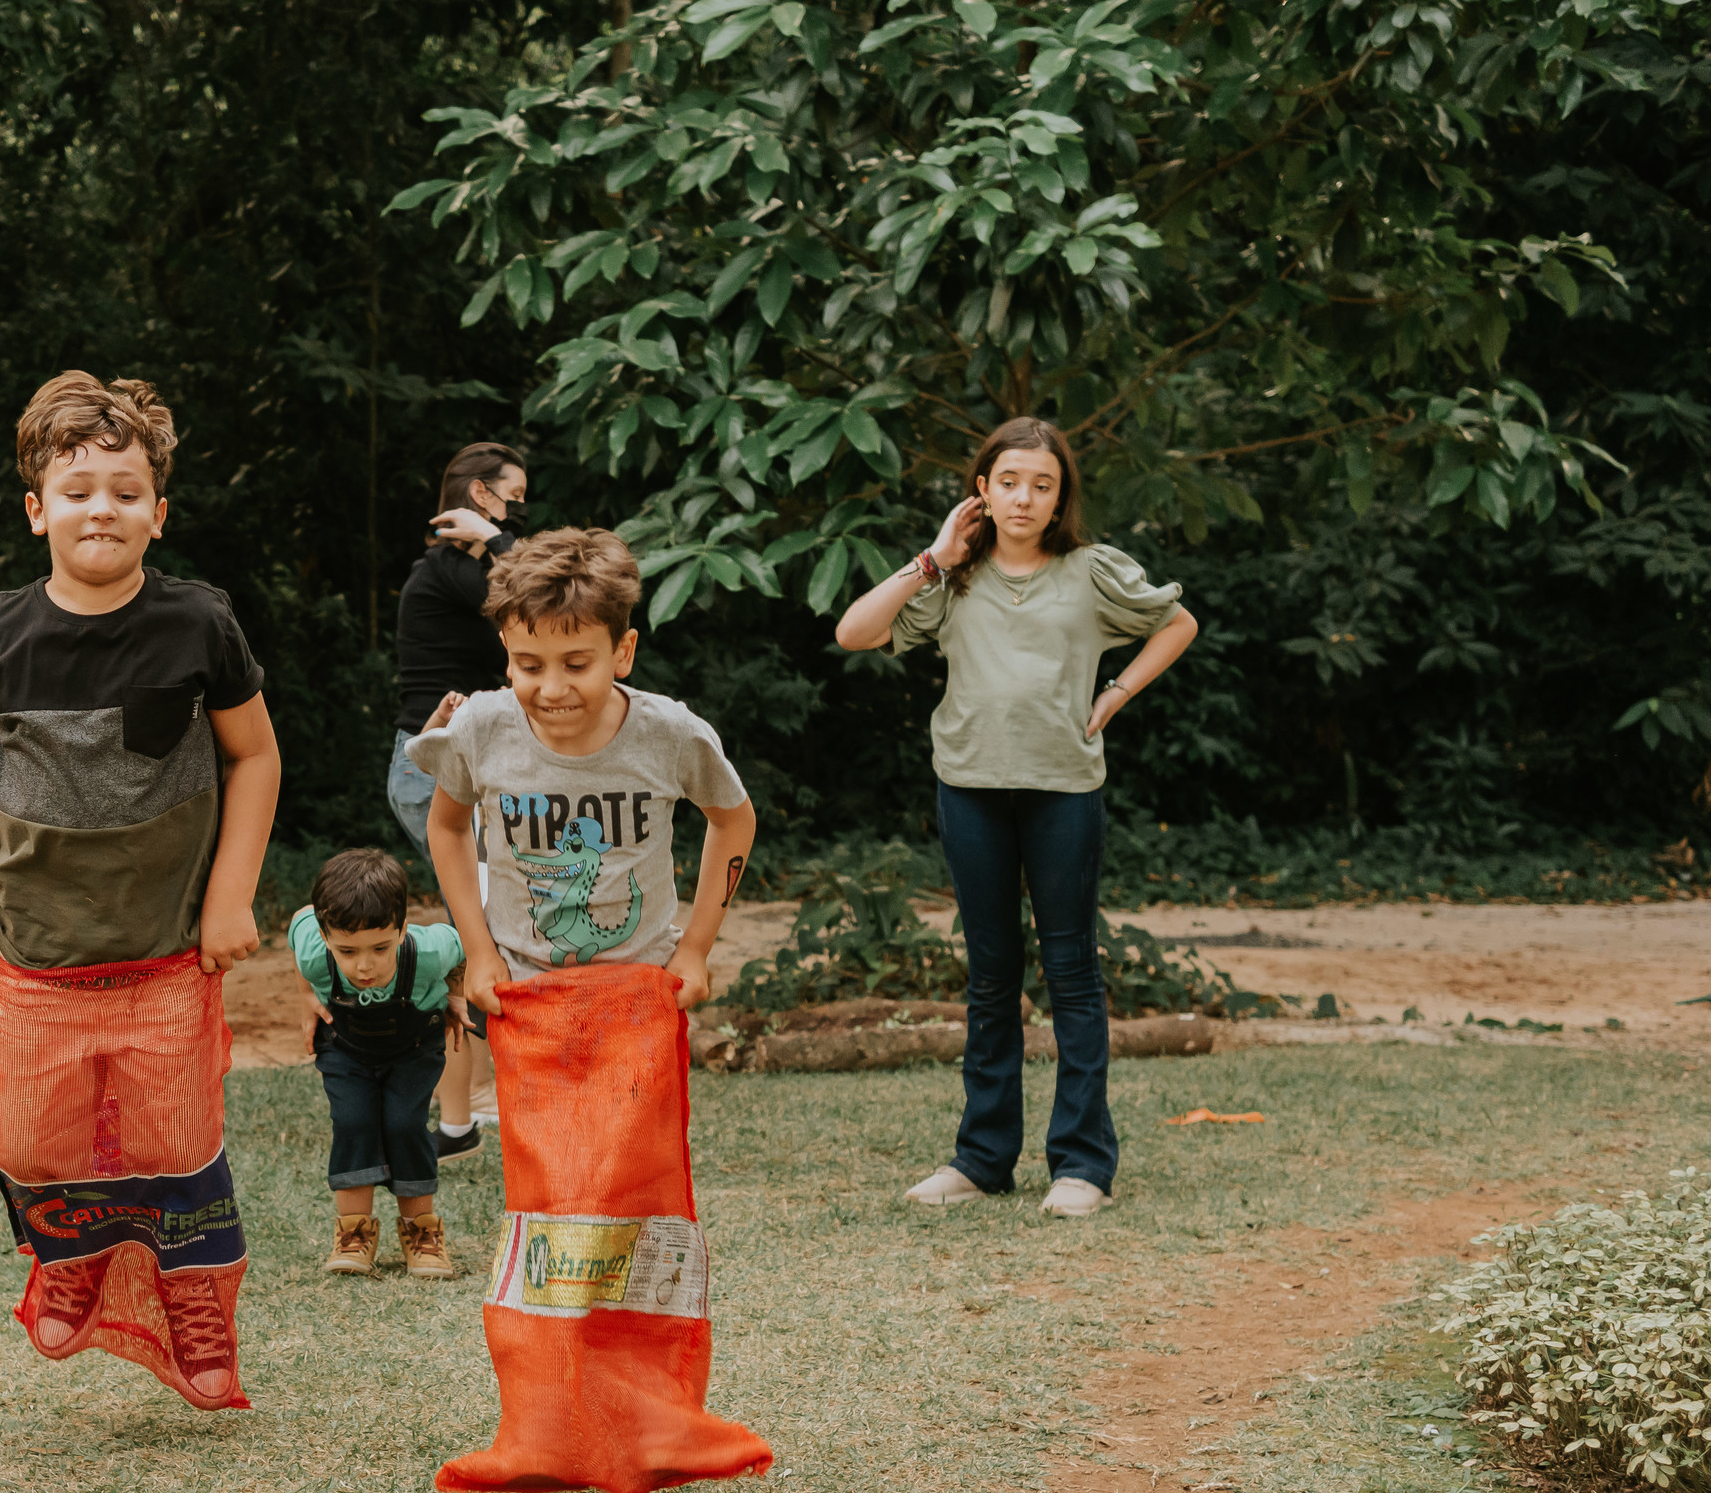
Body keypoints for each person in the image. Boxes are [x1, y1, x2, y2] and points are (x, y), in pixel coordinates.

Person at [0, 371, 281, 1410]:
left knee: (175, 1141)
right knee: (36, 1138)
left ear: (157, 515)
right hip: (37, 949)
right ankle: (70, 1257)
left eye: (126, 492)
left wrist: (232, 894)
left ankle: (195, 1303)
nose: (102, 510)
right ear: (37, 508)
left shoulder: (198, 625)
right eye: (78, 489)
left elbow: (254, 758)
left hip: (167, 945)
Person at [834, 416, 1198, 1218]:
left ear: (1060, 493)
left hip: (1064, 790)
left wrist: (1116, 692)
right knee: (991, 979)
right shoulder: (953, 578)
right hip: (969, 789)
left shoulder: (1093, 571)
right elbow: (854, 632)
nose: (1025, 497)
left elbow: (1178, 623)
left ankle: (1081, 1165)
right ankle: (983, 1158)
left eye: (1042, 483)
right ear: (982, 492)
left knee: (1071, 972)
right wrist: (934, 555)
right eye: (1009, 482)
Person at [409, 526, 758, 1020]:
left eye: (575, 664)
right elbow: (446, 826)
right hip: (522, 990)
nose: (552, 689)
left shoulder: (670, 734)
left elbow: (734, 821)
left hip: (643, 988)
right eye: (529, 665)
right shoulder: (480, 728)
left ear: (623, 651)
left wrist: (696, 950)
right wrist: (480, 950)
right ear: (506, 651)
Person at [390, 442, 525, 1158]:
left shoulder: (458, 572)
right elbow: (548, 599)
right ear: (482, 495)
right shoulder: (451, 572)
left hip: (448, 765)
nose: (522, 517)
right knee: (486, 940)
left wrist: (495, 540)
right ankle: (466, 1116)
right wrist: (497, 541)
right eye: (514, 501)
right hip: (436, 769)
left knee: (484, 936)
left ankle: (462, 1119)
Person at [290, 848, 467, 1279]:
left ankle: (422, 1234)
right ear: (326, 935)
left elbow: (461, 946)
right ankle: (354, 1236)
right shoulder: (315, 952)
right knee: (353, 1122)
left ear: (403, 930)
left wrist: (456, 995)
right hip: (345, 1046)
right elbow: (299, 923)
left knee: (404, 1125)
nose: (364, 965)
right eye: (347, 951)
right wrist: (305, 997)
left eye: (380, 948)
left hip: (415, 1046)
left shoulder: (428, 953)